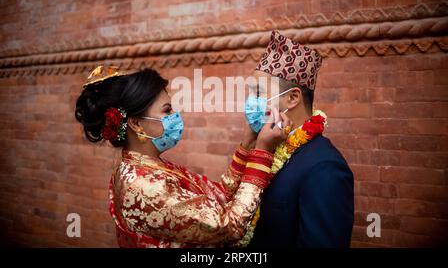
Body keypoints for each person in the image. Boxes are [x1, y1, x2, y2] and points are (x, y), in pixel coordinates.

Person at [74, 65, 291, 248]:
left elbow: (220, 195)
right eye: (167, 111)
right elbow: (230, 226)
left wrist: (248, 143)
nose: (175, 116)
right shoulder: (143, 186)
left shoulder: (151, 167)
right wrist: (263, 151)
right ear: (136, 124)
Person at [244, 31, 355, 248]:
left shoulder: (324, 167)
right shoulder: (267, 147)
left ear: (293, 98)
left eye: (258, 93)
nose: (250, 102)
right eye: (250, 94)